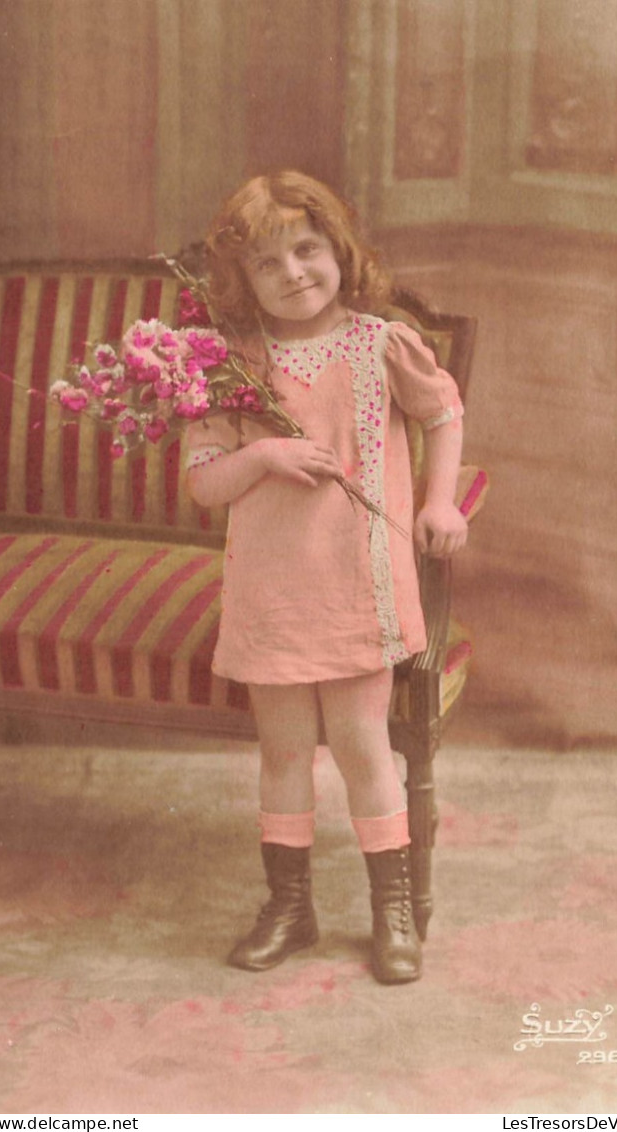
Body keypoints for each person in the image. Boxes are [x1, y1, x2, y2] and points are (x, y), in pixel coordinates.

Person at [186, 170, 468, 985]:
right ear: (241, 281)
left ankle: (391, 907)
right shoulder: (230, 364)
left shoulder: (379, 343)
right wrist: (264, 453)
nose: (294, 273)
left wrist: (441, 499)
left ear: (338, 248)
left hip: (356, 577)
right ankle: (290, 905)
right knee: (280, 750)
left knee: (358, 743)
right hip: (272, 589)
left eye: (306, 250)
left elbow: (443, 412)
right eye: (267, 264)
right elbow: (204, 481)